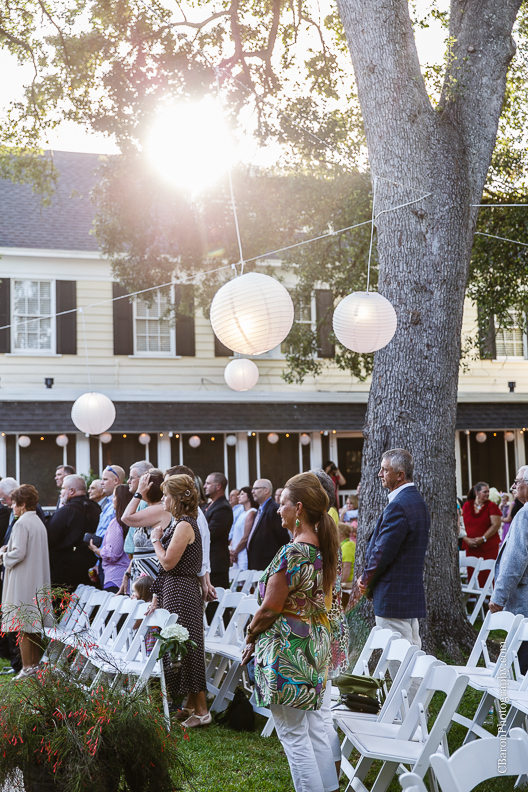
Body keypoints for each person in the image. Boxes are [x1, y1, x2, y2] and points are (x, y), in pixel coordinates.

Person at [242, 472, 341, 792]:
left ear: (298, 509)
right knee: (312, 731)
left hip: (289, 652)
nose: (276, 509)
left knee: (295, 739)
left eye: (282, 503)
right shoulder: (320, 551)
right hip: (312, 646)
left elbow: (270, 608)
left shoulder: (292, 553)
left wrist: (250, 636)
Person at [150, 474, 210, 727]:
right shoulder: (178, 523)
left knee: (187, 649)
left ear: (176, 499)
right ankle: (189, 704)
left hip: (183, 591)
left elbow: (167, 562)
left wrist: (155, 539)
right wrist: (156, 596)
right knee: (179, 647)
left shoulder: (185, 525)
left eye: (165, 494)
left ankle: (203, 711)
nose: (162, 498)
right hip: (173, 589)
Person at [356, 449, 430, 648]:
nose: (379, 474)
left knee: (400, 661)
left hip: (393, 596)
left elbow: (382, 552)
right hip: (405, 594)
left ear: (400, 475)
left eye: (384, 470)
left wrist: (365, 581)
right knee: (411, 653)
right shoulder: (416, 501)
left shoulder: (400, 505)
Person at [0, 484, 51, 677]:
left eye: (13, 504)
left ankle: (27, 667)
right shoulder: (38, 522)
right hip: (35, 578)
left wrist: (3, 555)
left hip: (23, 580)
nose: (12, 507)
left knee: (21, 624)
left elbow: (18, 553)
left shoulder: (21, 523)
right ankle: (34, 665)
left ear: (22, 505)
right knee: (33, 625)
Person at [490, 467, 528, 672]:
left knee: (523, 664)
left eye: (517, 481)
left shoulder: (525, 514)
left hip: (524, 604)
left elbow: (515, 559)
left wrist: (499, 597)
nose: (513, 486)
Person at [46, 474, 101, 590]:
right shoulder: (97, 509)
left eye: (63, 488)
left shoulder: (65, 512)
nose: (61, 492)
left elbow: (49, 539)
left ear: (71, 491)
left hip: (65, 572)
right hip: (90, 568)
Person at [119, 469, 169, 589]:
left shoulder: (160, 509)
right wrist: (128, 572)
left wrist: (139, 493)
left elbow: (126, 517)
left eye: (142, 484)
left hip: (152, 573)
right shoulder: (151, 509)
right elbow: (140, 548)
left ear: (149, 488)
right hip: (140, 571)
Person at [90, 484, 134, 593]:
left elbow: (112, 554)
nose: (112, 500)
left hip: (115, 578)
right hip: (127, 577)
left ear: (121, 500)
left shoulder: (116, 523)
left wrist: (96, 550)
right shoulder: (133, 520)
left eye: (114, 497)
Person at [462, 481, 501, 586]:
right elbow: (460, 524)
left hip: (488, 547)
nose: (487, 494)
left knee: (487, 573)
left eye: (488, 492)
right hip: (471, 547)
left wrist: (483, 538)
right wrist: (466, 539)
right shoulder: (466, 506)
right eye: (485, 492)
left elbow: (496, 525)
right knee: (473, 572)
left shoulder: (492, 506)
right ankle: (472, 598)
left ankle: (489, 598)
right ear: (477, 493)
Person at [247, 479, 290, 571]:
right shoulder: (260, 509)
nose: (252, 491)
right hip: (258, 562)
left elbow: (282, 537)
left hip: (269, 563)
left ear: (266, 490)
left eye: (256, 488)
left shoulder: (274, 509)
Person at [204, 472, 233, 589]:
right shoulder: (209, 505)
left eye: (208, 483)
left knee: (215, 603)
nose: (205, 486)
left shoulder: (223, 508)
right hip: (208, 562)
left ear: (218, 486)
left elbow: (209, 534)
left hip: (216, 564)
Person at [124, 460, 154, 554]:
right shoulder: (141, 500)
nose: (128, 481)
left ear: (144, 478)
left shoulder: (147, 501)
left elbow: (126, 518)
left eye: (132, 478)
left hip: (140, 557)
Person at [229, 487, 258, 570]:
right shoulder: (242, 513)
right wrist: (231, 550)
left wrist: (235, 552)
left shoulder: (251, 512)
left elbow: (246, 537)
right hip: (236, 553)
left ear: (249, 496)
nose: (238, 496)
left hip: (243, 554)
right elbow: (235, 534)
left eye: (242, 494)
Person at [96, 465, 125, 539]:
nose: (101, 483)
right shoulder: (108, 502)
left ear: (116, 480)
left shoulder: (120, 504)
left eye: (105, 479)